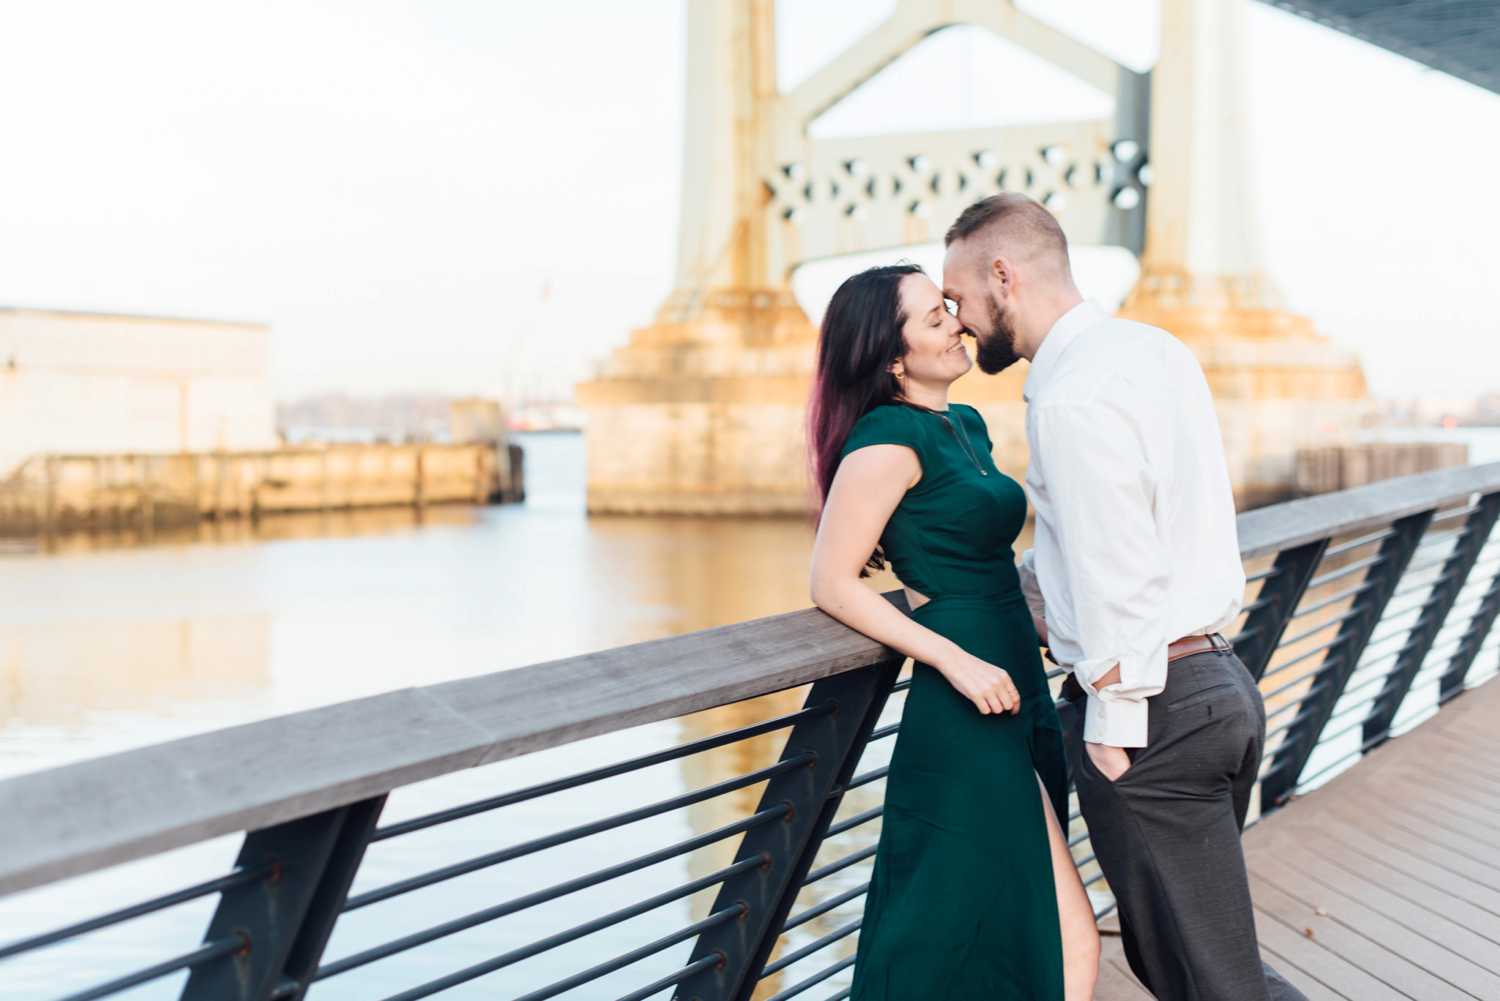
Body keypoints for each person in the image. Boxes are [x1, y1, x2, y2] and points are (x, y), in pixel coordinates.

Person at [941, 193, 1307, 1001]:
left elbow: (1121, 564)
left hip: (1151, 714)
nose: (958, 321)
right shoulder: (1152, 350)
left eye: (960, 297)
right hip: (1218, 687)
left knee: (1208, 978)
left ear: (1004, 276)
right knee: (1197, 962)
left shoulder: (1070, 400)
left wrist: (1111, 721)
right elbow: (1131, 528)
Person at [808, 263, 1099, 1000]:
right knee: (1053, 926)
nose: (956, 322)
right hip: (968, 697)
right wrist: (953, 660)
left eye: (948, 308)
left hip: (1017, 676)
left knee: (1010, 918)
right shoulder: (885, 439)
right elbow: (832, 582)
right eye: (932, 317)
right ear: (890, 354)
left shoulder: (963, 424)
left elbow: (986, 551)